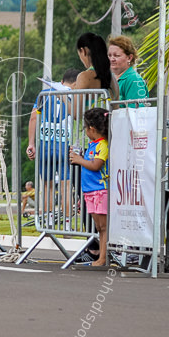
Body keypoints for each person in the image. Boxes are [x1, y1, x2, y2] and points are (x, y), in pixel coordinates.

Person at [26, 68, 79, 227]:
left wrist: (31, 143)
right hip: (65, 145)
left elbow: (33, 118)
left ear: (61, 81)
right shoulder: (74, 95)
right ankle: (68, 227)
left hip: (45, 146)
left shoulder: (45, 93)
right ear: (75, 84)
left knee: (48, 187)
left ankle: (48, 224)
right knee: (66, 187)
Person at [69, 107, 110, 267]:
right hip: (90, 191)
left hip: (100, 190)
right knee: (99, 227)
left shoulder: (103, 145)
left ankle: (103, 258)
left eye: (85, 128)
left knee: (104, 226)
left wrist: (79, 160)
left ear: (91, 128)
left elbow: (96, 165)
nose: (85, 131)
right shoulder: (94, 144)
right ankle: (101, 255)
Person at [74, 32, 118, 99]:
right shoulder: (113, 79)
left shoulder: (84, 77)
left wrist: (63, 97)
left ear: (83, 51)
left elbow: (75, 109)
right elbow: (116, 108)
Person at [108, 35, 149, 104]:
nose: (112, 59)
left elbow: (136, 112)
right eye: (109, 55)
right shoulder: (109, 78)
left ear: (129, 58)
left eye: (117, 56)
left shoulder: (134, 80)